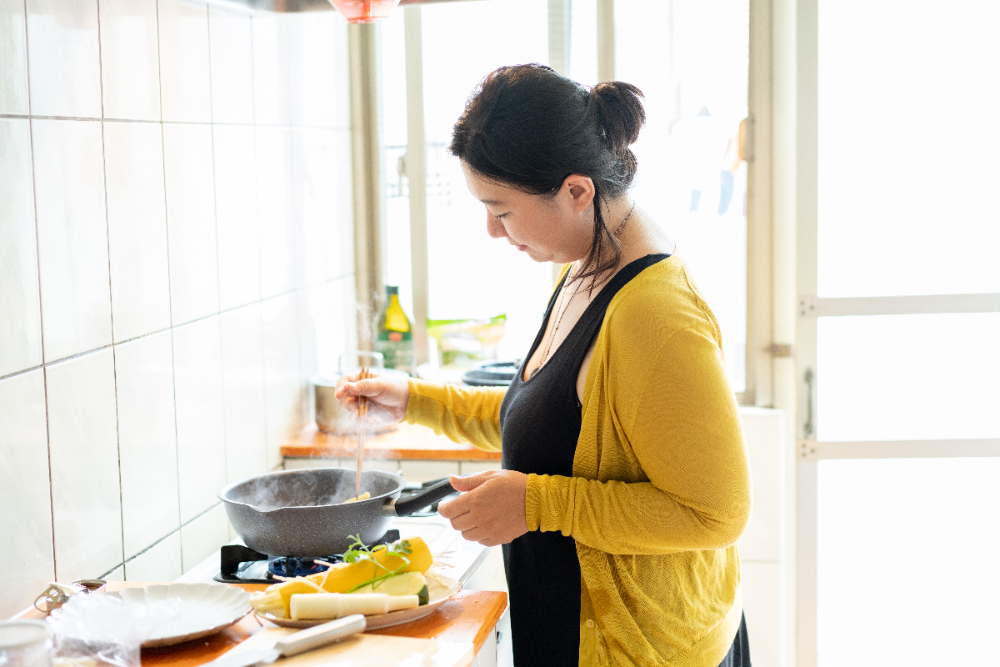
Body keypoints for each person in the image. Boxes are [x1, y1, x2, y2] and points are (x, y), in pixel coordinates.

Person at [336, 64, 752, 667]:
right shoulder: (585, 264)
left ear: (577, 191)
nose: (491, 230)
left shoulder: (655, 313)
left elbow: (715, 513)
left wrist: (535, 504)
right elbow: (552, 423)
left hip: (646, 651)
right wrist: (414, 398)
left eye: (501, 210)